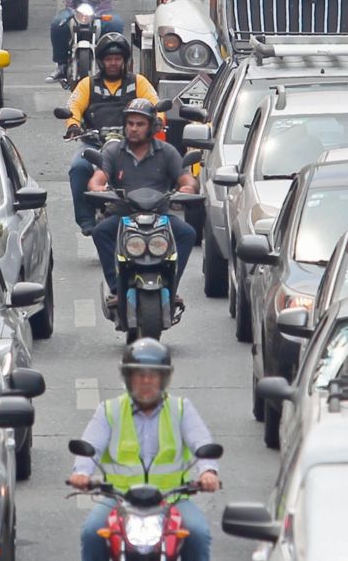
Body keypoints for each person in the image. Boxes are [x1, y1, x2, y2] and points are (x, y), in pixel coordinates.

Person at [70, 338, 218, 561]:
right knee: (91, 533)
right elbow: (91, 445)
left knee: (198, 533)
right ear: (129, 379)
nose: (146, 381)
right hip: (120, 499)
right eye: (140, 375)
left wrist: (208, 472)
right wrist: (81, 473)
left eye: (153, 375)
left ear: (163, 378)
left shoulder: (181, 409)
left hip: (171, 499)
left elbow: (202, 442)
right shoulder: (109, 410)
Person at [87, 98, 196, 306]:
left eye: (140, 124)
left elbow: (185, 177)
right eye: (130, 124)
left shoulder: (167, 152)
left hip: (160, 217)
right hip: (124, 216)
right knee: (100, 232)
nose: (134, 129)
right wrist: (97, 187)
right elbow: (99, 177)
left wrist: (188, 187)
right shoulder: (113, 152)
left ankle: (171, 286)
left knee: (187, 233)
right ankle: (117, 288)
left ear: (151, 127)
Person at [63, 32, 160, 236]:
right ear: (101, 61)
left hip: (133, 145)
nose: (114, 63)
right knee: (78, 168)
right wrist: (73, 124)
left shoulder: (139, 82)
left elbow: (155, 104)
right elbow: (73, 106)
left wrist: (158, 119)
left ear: (125, 61)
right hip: (94, 145)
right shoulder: (87, 84)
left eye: (118, 59)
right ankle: (86, 218)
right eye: (109, 59)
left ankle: (154, 213)